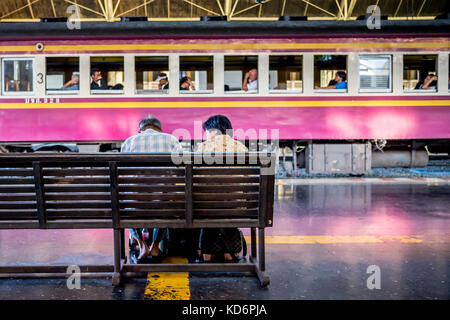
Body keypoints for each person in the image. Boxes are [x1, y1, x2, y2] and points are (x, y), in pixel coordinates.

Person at [121, 115, 183, 261]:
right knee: (166, 202)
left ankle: (142, 245)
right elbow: (181, 167)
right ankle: (155, 246)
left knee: (125, 208)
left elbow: (121, 172)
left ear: (140, 130)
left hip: (135, 205)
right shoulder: (171, 139)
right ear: (160, 129)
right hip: (163, 205)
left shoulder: (129, 141)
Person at [196, 115, 248, 263]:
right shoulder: (241, 148)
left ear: (213, 132)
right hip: (237, 208)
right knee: (229, 200)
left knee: (209, 203)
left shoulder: (203, 148)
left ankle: (207, 252)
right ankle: (229, 251)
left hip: (206, 208)